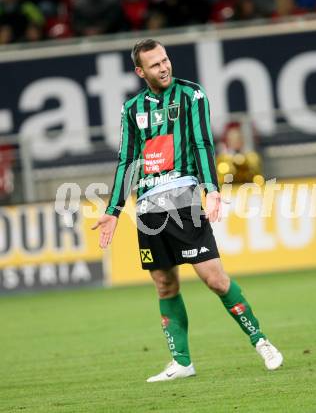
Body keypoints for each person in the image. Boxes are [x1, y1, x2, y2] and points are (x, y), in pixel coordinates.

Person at [92, 39, 283, 382]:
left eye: (165, 60)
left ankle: (262, 341)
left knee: (214, 278)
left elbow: (202, 142)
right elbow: (128, 161)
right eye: (155, 64)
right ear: (140, 72)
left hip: (183, 201)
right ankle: (182, 362)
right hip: (149, 209)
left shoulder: (191, 95)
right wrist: (113, 209)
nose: (164, 67)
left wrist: (211, 190)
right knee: (165, 285)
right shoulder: (131, 109)